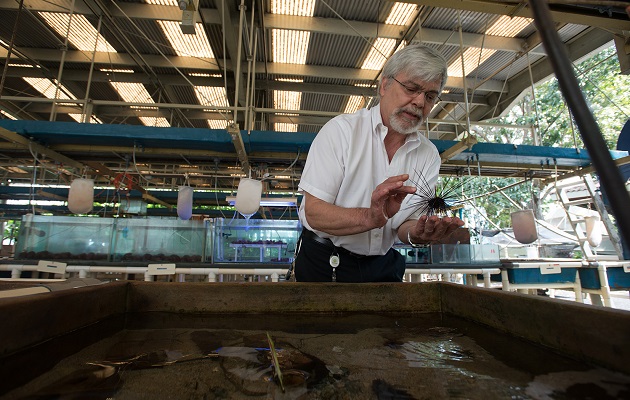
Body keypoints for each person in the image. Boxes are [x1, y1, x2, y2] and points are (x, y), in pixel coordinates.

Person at [291, 43, 465, 283]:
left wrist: (419, 233)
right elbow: (314, 213)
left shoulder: (428, 155)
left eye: (430, 96)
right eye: (412, 88)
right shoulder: (341, 132)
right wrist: (370, 218)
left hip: (383, 267)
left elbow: (404, 226)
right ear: (385, 85)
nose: (419, 102)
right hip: (325, 263)